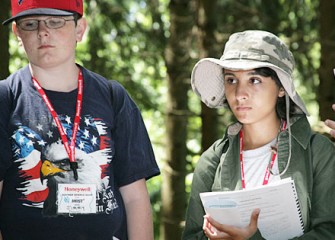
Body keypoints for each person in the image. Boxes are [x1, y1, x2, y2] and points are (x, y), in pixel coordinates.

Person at [0, 0, 160, 239]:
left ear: (80, 29)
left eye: (56, 22)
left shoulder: (113, 97)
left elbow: (135, 197)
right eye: (30, 24)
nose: (43, 31)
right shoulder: (6, 98)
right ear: (17, 33)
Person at [182, 30, 335, 239]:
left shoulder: (318, 152)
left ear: (282, 87)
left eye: (254, 80)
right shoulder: (212, 161)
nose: (239, 94)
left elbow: (329, 232)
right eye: (231, 80)